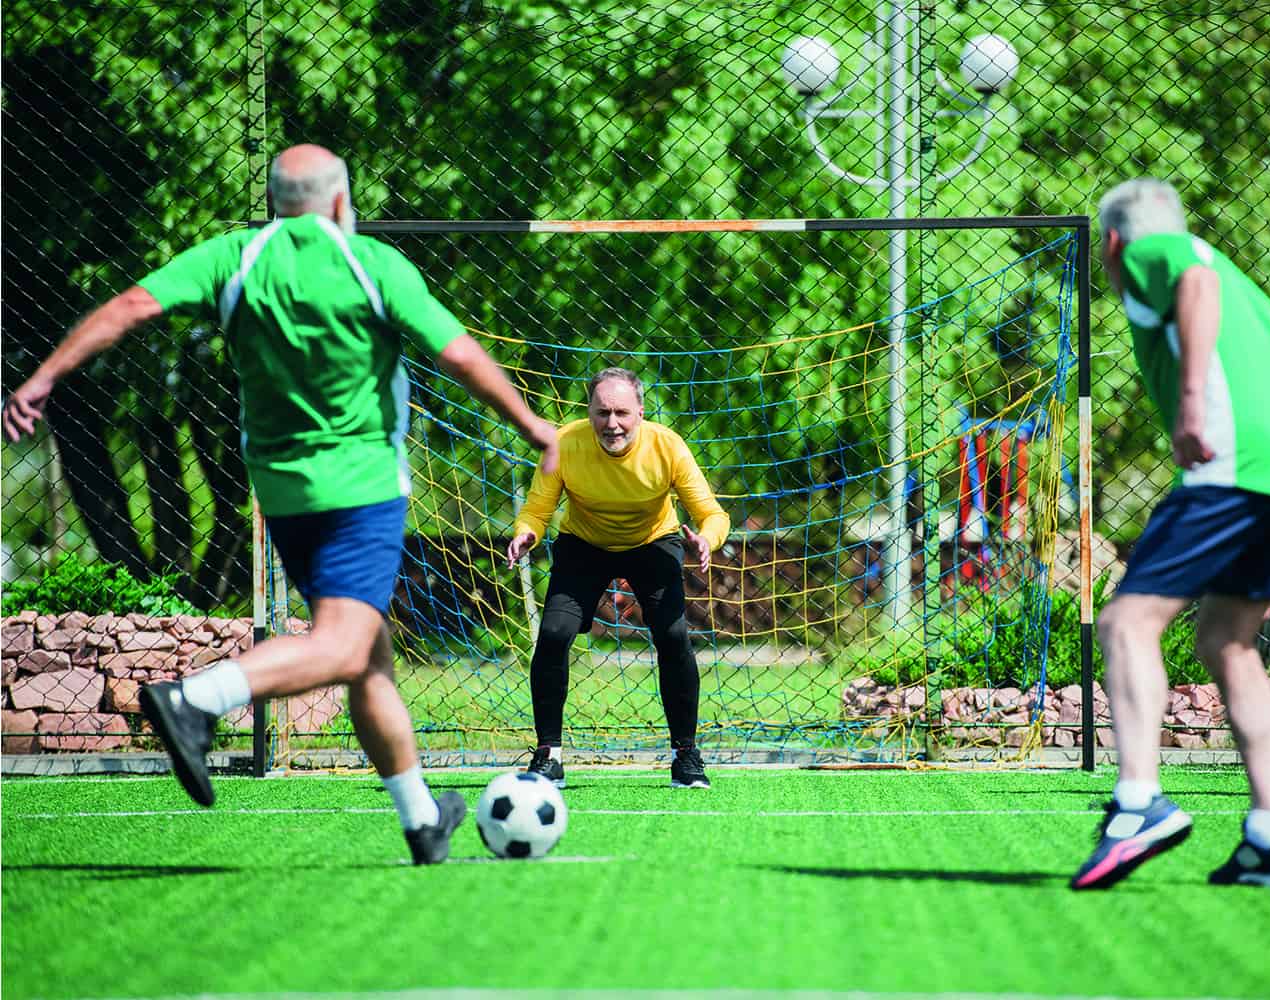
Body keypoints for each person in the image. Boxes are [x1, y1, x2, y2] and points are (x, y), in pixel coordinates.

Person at [2, 144, 559, 866]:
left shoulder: (234, 256)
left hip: (282, 492)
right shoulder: (373, 263)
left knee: (371, 658)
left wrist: (43, 377)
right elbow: (457, 354)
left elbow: (131, 306)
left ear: (276, 201)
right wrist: (535, 426)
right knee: (345, 644)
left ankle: (424, 823)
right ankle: (195, 699)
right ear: (337, 201)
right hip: (361, 488)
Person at [1070, 178, 1270, 890]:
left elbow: (1191, 283)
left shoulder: (1158, 250)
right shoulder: (1237, 279)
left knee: (1126, 622)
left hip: (1235, 460)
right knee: (1226, 640)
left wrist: (1189, 401)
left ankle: (1137, 803)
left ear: (1113, 242)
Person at [507, 367, 729, 789]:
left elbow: (712, 514)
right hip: (583, 544)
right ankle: (548, 754)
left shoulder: (668, 447)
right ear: (588, 413)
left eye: (622, 413)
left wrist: (707, 540)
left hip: (652, 542)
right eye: (602, 412)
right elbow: (536, 508)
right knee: (553, 633)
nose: (612, 423)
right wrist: (527, 532)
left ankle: (686, 755)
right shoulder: (564, 443)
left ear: (641, 413)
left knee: (674, 636)